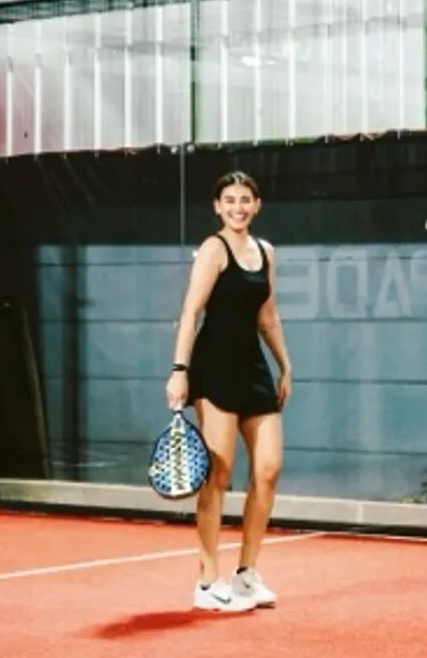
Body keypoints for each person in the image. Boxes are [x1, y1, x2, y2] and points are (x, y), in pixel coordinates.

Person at [165, 170, 292, 613]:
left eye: (245, 200)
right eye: (230, 200)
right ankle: (206, 582)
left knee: (269, 469)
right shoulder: (213, 250)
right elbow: (190, 311)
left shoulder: (266, 252)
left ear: (256, 205)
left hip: (253, 368)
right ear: (218, 207)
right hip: (214, 368)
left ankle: (246, 575)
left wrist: (285, 366)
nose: (238, 207)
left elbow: (267, 316)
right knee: (218, 474)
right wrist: (179, 371)